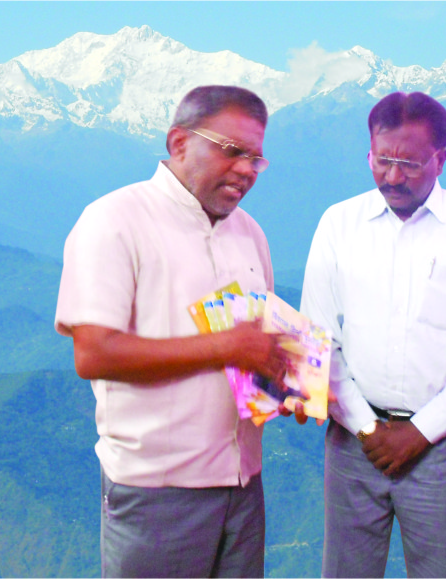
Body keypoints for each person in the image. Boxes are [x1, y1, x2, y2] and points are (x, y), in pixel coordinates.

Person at [55, 85, 293, 578]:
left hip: (244, 484)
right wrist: (227, 346)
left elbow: (255, 344)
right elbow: (93, 353)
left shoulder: (249, 232)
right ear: (179, 142)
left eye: (256, 158)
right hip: (157, 493)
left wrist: (284, 384)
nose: (246, 169)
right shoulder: (113, 221)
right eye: (232, 151)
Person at [301, 91, 446, 578]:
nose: (393, 177)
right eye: (382, 161)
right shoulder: (339, 223)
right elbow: (318, 335)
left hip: (443, 445)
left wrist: (422, 432)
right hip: (353, 440)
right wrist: (364, 426)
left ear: (441, 159)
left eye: (410, 164)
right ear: (369, 153)